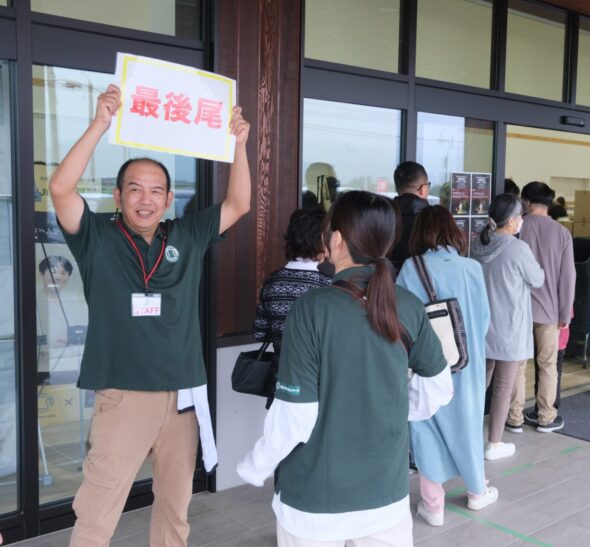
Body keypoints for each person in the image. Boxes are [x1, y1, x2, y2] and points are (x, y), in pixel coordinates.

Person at [49, 85, 251, 545]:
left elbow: (238, 204)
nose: (146, 199)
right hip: (123, 396)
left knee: (176, 512)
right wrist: (100, 123)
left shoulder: (187, 234)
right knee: (97, 514)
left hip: (182, 398)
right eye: (135, 189)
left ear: (168, 198)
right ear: (118, 196)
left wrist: (239, 145)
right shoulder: (95, 235)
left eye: (156, 190)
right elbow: (60, 188)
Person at [237, 191, 452, 546]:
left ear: (335, 239)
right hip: (386, 496)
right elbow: (438, 387)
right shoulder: (408, 305)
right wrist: (390, 410)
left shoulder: (312, 309)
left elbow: (295, 416)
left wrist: (256, 464)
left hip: (315, 501)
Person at [396, 205, 497, 527]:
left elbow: (402, 319)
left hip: (426, 363)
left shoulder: (412, 268)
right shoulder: (472, 268)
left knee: (425, 423)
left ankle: (433, 505)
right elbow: (484, 320)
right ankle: (477, 491)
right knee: (468, 423)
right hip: (468, 362)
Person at [471, 194, 544, 460]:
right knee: (502, 388)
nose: (522, 220)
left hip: (481, 326)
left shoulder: (477, 244)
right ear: (512, 220)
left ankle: (467, 436)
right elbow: (538, 279)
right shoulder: (517, 248)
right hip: (509, 328)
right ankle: (494, 443)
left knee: (478, 385)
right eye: (520, 217)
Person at [509, 182, 574, 434]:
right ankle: (546, 417)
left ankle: (514, 417)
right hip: (549, 311)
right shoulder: (562, 233)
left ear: (526, 202)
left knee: (517, 365)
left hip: (519, 310)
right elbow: (568, 277)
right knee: (548, 365)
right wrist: (564, 312)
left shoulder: (516, 227)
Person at [254, 208, 332, 356]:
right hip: (318, 369)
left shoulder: (271, 282)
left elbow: (260, 333)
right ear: (320, 241)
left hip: (280, 367)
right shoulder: (328, 285)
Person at [390, 161, 430, 271]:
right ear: (423, 188)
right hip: (424, 278)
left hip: (388, 278)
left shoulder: (384, 215)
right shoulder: (432, 219)